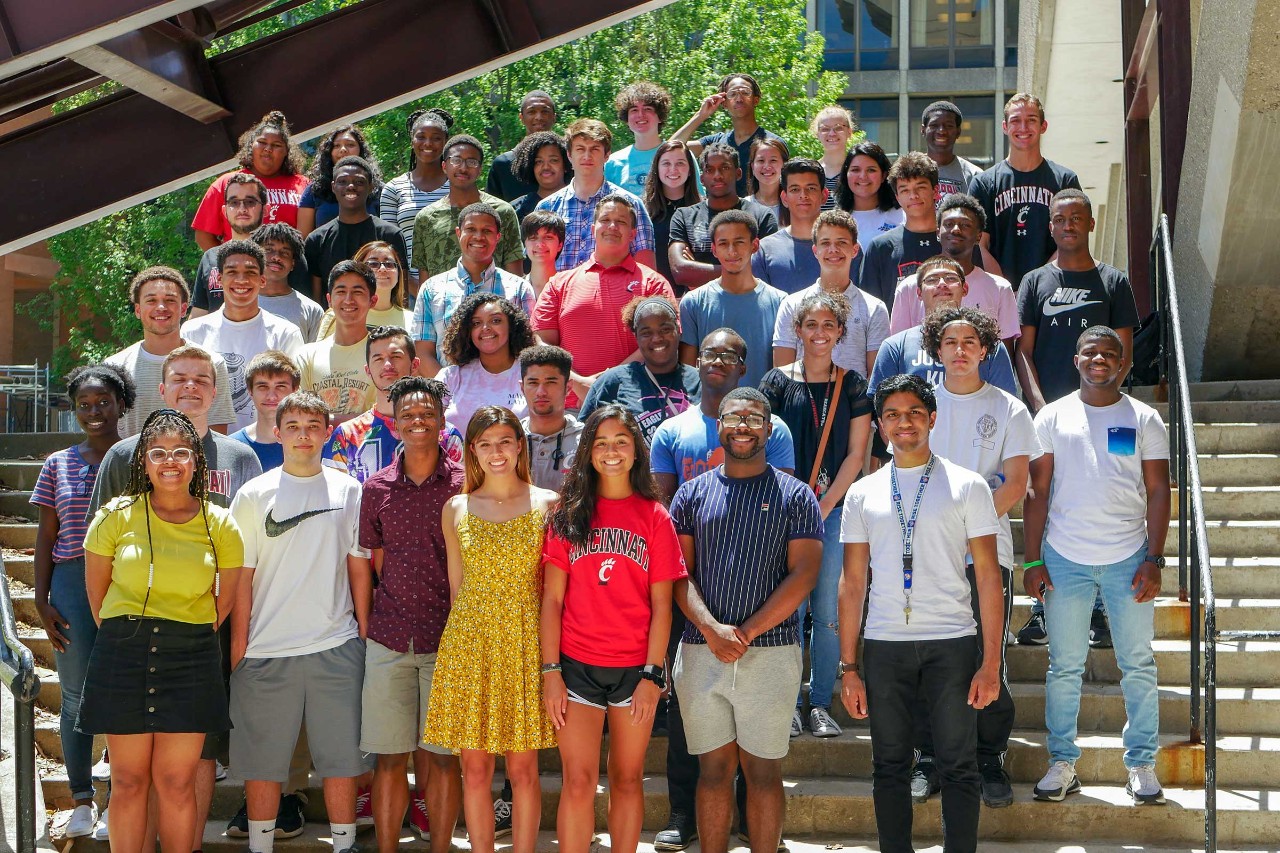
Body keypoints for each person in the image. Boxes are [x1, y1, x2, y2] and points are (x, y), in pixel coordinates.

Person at [86, 348, 262, 844]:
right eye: (158, 452)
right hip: (123, 653)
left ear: (196, 460)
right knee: (127, 780)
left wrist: (199, 627)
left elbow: (227, 594)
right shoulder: (115, 515)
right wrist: (126, 632)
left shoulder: (219, 521)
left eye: (181, 452)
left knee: (178, 780)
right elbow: (97, 592)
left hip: (192, 656)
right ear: (143, 458)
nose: (170, 461)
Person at [837, 372, 1004, 853]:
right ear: (881, 425)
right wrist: (849, 667)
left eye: (914, 412)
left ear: (932, 418)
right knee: (889, 764)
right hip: (885, 643)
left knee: (958, 763)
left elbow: (988, 577)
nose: (903, 422)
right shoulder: (863, 492)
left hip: (952, 641)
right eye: (891, 414)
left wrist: (990, 662)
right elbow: (852, 584)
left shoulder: (968, 485)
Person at [669, 387, 822, 853]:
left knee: (763, 772)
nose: (743, 426)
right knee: (713, 771)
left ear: (768, 429)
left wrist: (746, 631)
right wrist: (712, 630)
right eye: (734, 417)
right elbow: (679, 574)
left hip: (771, 651)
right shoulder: (690, 495)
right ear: (719, 426)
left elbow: (805, 574)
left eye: (754, 419)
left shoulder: (796, 496)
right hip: (701, 651)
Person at [1022, 326, 1170, 806]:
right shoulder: (1051, 417)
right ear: (1076, 359)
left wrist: (1153, 557)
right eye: (1092, 352)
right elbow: (1037, 493)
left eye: (1111, 354)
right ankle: (1062, 762)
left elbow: (1158, 490)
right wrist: (1034, 558)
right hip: (1065, 558)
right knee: (1064, 666)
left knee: (1138, 665)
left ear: (1124, 365)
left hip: (1128, 556)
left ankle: (1142, 765)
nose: (1100, 359)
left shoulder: (1144, 418)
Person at [227, 392, 369, 853]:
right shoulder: (252, 494)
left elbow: (357, 566)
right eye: (293, 425)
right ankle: (260, 846)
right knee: (263, 764)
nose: (303, 433)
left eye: (313, 425)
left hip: (336, 645)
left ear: (328, 432)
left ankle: (344, 845)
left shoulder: (349, 489)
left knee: (341, 761)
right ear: (278, 431)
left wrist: (363, 636)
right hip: (265, 652)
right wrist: (239, 647)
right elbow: (241, 575)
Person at [910, 305, 1038, 809]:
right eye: (949, 342)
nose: (959, 350)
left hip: (986, 555)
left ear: (985, 349)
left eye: (969, 342)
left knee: (989, 657)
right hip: (920, 554)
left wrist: (968, 535)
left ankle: (989, 757)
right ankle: (928, 758)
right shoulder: (919, 405)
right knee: (924, 657)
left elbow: (1015, 483)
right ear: (936, 350)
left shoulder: (1009, 408)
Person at [542, 406, 686, 853]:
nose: (611, 451)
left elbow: (663, 606)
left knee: (627, 779)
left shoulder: (655, 517)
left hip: (634, 669)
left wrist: (652, 674)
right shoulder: (568, 513)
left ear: (637, 451)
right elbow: (552, 599)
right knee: (579, 781)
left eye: (621, 441)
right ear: (587, 452)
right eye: (601, 442)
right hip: (576, 664)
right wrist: (550, 670)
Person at [423, 407, 559, 853]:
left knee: (523, 772)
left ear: (520, 445)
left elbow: (553, 592)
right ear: (472, 452)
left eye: (504, 441)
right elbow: (458, 587)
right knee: (475, 771)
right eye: (485, 444)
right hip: (469, 645)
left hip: (524, 645)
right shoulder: (456, 508)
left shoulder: (548, 504)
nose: (496, 451)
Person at [358, 375, 465, 851]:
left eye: (427, 414)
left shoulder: (466, 484)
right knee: (388, 758)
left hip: (449, 640)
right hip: (390, 637)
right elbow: (374, 560)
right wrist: (368, 623)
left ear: (442, 421)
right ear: (394, 422)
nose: (418, 422)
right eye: (408, 415)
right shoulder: (376, 487)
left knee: (443, 759)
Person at [760, 291, 873, 739]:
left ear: (841, 332)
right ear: (798, 330)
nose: (820, 333)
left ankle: (820, 701)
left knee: (828, 611)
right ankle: (786, 702)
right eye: (812, 325)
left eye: (829, 326)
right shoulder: (775, 382)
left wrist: (821, 506)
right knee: (788, 610)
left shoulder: (854, 385)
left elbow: (856, 455)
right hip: (781, 513)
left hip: (833, 513)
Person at [31, 364, 135, 840]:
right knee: (74, 697)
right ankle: (80, 799)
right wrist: (41, 598)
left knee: (125, 693)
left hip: (127, 579)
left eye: (104, 403)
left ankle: (120, 798)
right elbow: (46, 534)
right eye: (85, 406)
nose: (95, 412)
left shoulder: (137, 459)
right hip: (71, 582)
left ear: (121, 405)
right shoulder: (58, 463)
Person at [531, 195, 676, 407]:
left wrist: (606, 383)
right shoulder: (559, 284)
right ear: (593, 229)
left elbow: (663, 342)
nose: (613, 226)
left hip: (636, 404)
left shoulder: (653, 284)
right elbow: (540, 342)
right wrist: (578, 382)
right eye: (605, 220)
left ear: (633, 234)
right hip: (572, 407)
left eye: (622, 222)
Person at [1017, 189, 1140, 413]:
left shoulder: (1115, 281)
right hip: (1044, 413)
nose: (1068, 226)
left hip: (1098, 410)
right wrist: (1040, 408)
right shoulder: (1033, 281)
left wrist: (1102, 401)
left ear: (1091, 224)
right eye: (1059, 220)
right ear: (1050, 228)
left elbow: (1125, 354)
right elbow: (1023, 351)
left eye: (1076, 218)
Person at [654, 329, 795, 501]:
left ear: (742, 369)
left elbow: (781, 499)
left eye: (729, 357)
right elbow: (665, 507)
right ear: (698, 364)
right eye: (709, 354)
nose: (718, 362)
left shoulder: (770, 427)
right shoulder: (669, 432)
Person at [181, 240, 305, 431]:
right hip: (207, 446)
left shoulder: (285, 333)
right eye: (232, 272)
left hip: (268, 444)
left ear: (262, 280)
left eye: (250, 273)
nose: (241, 280)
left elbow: (295, 397)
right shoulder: (192, 332)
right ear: (219, 279)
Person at [969, 93, 1082, 291]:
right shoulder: (984, 183)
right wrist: (1004, 290)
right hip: (998, 295)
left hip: (1053, 291)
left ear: (1043, 126)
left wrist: (1037, 287)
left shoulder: (1064, 180)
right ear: (1005, 127)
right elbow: (978, 245)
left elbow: (1071, 240)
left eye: (1031, 120)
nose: (1023, 128)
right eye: (1015, 121)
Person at [105, 267, 235, 437]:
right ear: (138, 310)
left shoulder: (211, 364)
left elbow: (217, 437)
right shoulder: (114, 367)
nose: (161, 307)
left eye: (170, 300)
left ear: (183, 309)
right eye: (151, 300)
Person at [413, 201, 537, 377]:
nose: (478, 236)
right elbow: (423, 353)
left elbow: (527, 350)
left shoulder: (519, 288)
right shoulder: (431, 289)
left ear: (498, 237)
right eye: (471, 229)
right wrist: (451, 395)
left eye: (487, 231)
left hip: (504, 396)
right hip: (448, 399)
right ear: (458, 233)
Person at [325, 325, 463, 482]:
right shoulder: (346, 436)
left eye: (396, 356)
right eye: (378, 359)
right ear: (368, 370)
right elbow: (333, 496)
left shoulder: (445, 435)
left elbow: (461, 495)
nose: (388, 365)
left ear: (415, 365)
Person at [869, 257, 1019, 399]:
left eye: (950, 278)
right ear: (919, 293)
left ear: (965, 288)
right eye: (932, 280)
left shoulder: (989, 344)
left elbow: (1005, 404)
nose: (942, 284)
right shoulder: (895, 347)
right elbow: (881, 409)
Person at [888, 193, 1019, 349]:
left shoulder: (1000, 288)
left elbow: (1005, 355)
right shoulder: (910, 286)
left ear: (979, 236)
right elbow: (898, 348)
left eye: (965, 225)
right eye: (949, 224)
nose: (956, 230)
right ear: (938, 233)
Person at [772, 210, 889, 380]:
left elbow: (875, 379)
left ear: (855, 250)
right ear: (815, 250)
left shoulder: (875, 309)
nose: (833, 250)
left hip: (854, 405)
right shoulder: (792, 304)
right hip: (802, 403)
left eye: (841, 242)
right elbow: (782, 375)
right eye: (825, 243)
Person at [536, 118, 657, 271]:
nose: (587, 156)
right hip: (559, 293)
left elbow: (646, 271)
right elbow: (539, 267)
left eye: (595, 149)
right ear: (569, 155)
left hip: (614, 293)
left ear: (607, 155)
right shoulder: (547, 207)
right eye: (580, 149)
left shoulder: (630, 205)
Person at [682, 210, 786, 387]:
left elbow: (783, 372)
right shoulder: (693, 303)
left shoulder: (781, 302)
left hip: (762, 410)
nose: (732, 251)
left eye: (739, 242)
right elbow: (688, 373)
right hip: (710, 411)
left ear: (754, 245)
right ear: (714, 249)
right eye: (723, 244)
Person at [579, 297, 699, 441]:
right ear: (636, 337)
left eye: (665, 329)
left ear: (678, 330)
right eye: (646, 333)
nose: (656, 338)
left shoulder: (701, 380)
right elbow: (585, 442)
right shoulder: (612, 382)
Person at [191, 111, 310, 251]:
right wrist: (227, 264)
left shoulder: (304, 185)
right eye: (262, 142)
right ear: (250, 146)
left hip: (286, 268)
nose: (268, 149)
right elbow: (203, 235)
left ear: (286, 152)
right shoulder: (227, 183)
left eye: (276, 145)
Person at [668, 143, 779, 292]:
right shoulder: (683, 216)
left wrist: (698, 273)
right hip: (700, 306)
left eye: (725, 168)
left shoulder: (762, 216)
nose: (717, 175)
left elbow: (766, 269)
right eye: (709, 170)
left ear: (738, 173)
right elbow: (680, 271)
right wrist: (740, 270)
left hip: (750, 302)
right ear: (702, 178)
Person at [414, 135, 526, 279]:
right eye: (456, 160)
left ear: (480, 169)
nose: (463, 168)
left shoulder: (502, 211)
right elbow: (424, 279)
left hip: (493, 299)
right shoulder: (426, 218)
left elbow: (515, 276)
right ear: (444, 166)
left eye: (471, 162)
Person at [302, 155, 406, 301]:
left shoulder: (390, 235)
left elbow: (401, 292)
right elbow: (315, 297)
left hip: (384, 320)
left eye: (359, 181)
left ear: (371, 187)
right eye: (343, 181)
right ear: (333, 187)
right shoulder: (317, 239)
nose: (351, 186)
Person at [670, 73, 783, 197]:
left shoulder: (772, 143)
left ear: (756, 100)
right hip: (717, 215)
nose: (739, 99)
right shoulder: (715, 143)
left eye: (745, 93)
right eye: (732, 94)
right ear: (724, 103)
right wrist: (700, 115)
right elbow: (670, 150)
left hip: (758, 215)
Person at [859, 152, 946, 310]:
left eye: (920, 187)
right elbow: (869, 309)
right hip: (896, 334)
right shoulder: (881, 247)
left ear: (936, 191)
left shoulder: (955, 241)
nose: (913, 195)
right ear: (897, 197)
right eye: (905, 190)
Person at [438, 293, 534, 432]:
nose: (485, 328)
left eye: (495, 320)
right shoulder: (451, 376)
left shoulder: (531, 372)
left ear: (512, 326)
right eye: (476, 323)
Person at [379, 108, 455, 284]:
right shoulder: (393, 189)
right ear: (412, 140)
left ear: (446, 142)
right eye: (421, 136)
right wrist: (416, 289)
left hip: (455, 284)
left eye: (436, 138)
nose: (428, 143)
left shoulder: (459, 185)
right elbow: (389, 248)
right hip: (408, 288)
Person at [296, 261, 377, 419]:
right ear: (329, 300)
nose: (348, 300)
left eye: (357, 292)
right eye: (341, 291)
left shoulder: (383, 355)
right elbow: (301, 415)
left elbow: (386, 414)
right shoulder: (306, 356)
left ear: (372, 301)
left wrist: (326, 419)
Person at [191, 173, 266, 318]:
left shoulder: (279, 256)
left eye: (250, 202)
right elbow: (198, 313)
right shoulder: (210, 257)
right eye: (234, 203)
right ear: (224, 211)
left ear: (266, 209)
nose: (242, 208)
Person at [751, 158, 828, 295]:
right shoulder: (764, 250)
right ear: (784, 198)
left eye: (811, 188)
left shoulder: (842, 247)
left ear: (824, 195)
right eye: (795, 189)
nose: (803, 195)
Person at [314, 240, 415, 338]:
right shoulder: (338, 314)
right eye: (373, 264)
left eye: (389, 264)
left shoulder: (413, 319)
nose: (383, 269)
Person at [519, 345, 584, 492]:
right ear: (522, 388)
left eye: (550, 382)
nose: (541, 392)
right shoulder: (507, 439)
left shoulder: (587, 441)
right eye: (533, 383)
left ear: (568, 388)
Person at [298, 125, 381, 236]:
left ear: (361, 150)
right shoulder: (314, 190)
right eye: (336, 146)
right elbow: (303, 240)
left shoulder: (378, 189)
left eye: (350, 145)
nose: (343, 150)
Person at [252, 223, 326, 342]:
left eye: (285, 253)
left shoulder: (312, 310)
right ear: (256, 256)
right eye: (269, 250)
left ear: (293, 264)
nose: (276, 257)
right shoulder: (239, 302)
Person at [643, 140, 702, 284]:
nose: (673, 169)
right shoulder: (642, 210)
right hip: (654, 294)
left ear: (690, 170)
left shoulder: (704, 209)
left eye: (680, 163)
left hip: (695, 293)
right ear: (657, 168)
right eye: (666, 163)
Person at [229, 351, 299, 471]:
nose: (271, 396)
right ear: (250, 391)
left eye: (280, 386)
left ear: (295, 391)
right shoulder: (232, 447)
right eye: (263, 387)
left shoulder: (310, 444)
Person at [487, 91, 558, 202]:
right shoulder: (503, 164)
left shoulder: (569, 161)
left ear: (554, 117)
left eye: (545, 111)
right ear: (521, 117)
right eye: (532, 112)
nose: (538, 117)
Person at [604, 82, 672, 198]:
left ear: (660, 117)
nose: (641, 115)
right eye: (634, 110)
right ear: (626, 119)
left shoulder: (680, 156)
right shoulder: (613, 163)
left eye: (648, 109)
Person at [834, 142, 904, 253]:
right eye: (855, 170)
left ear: (884, 176)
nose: (863, 176)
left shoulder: (902, 216)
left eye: (871, 170)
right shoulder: (835, 220)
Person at [920, 101, 983, 203]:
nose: (941, 131)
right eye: (934, 125)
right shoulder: (908, 172)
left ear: (958, 132)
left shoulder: (975, 175)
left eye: (949, 126)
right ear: (923, 130)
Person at [509, 131, 571, 222]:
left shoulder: (579, 201)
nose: (546, 167)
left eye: (553, 160)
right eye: (539, 161)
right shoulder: (517, 209)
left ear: (566, 164)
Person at [811, 106, 855, 210]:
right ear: (817, 134)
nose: (832, 133)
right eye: (825, 129)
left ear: (849, 132)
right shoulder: (810, 171)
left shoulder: (858, 170)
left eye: (838, 128)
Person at [742, 137, 790, 223]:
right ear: (752, 166)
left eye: (773, 160)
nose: (767, 166)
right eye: (761, 160)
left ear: (784, 165)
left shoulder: (794, 204)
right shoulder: (744, 206)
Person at [521, 210, 566, 297]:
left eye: (548, 237)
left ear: (560, 245)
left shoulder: (570, 289)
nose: (540, 244)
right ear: (525, 245)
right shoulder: (513, 288)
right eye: (533, 237)